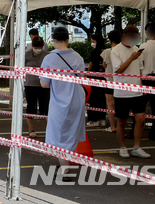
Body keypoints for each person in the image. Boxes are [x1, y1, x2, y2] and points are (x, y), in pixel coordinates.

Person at [39, 27, 86, 179]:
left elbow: (44, 85)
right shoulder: (77, 56)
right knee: (71, 132)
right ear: (68, 39)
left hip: (59, 100)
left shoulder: (49, 59)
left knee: (58, 133)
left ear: (53, 40)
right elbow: (82, 77)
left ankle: (64, 169)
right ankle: (64, 163)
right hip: (77, 99)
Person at [110, 25, 150, 158]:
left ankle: (137, 147)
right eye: (130, 36)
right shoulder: (116, 50)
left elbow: (139, 70)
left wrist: (142, 86)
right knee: (121, 121)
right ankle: (122, 147)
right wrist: (131, 58)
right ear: (124, 36)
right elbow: (118, 70)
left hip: (137, 91)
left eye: (135, 36)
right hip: (122, 92)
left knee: (141, 119)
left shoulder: (137, 49)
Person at [25, 36, 50, 138]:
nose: (38, 49)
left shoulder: (46, 55)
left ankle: (50, 130)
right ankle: (31, 129)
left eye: (40, 47)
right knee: (31, 107)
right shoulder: (26, 55)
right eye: (36, 47)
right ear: (33, 46)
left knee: (46, 108)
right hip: (30, 84)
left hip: (44, 85)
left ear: (43, 46)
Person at [101, 30, 121, 133]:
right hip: (121, 81)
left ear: (110, 40)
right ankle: (121, 126)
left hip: (109, 80)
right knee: (121, 103)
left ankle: (112, 126)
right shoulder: (122, 51)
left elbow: (104, 65)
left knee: (110, 104)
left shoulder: (107, 52)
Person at [86, 34, 107, 127]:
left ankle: (93, 119)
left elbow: (91, 64)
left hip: (94, 77)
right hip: (104, 77)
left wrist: (87, 74)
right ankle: (102, 119)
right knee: (102, 99)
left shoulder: (94, 52)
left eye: (93, 41)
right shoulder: (106, 51)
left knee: (93, 98)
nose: (92, 43)